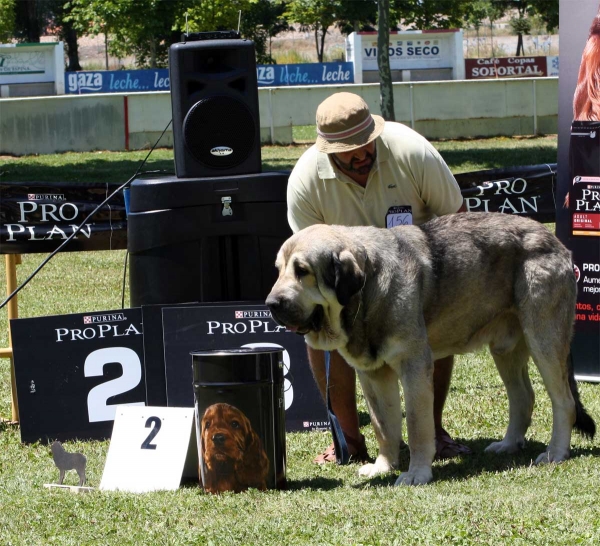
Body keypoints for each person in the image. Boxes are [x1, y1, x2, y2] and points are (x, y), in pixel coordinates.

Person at [287, 91, 471, 464]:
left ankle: (433, 433)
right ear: (327, 150)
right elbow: (306, 254)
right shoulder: (304, 182)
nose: (360, 155)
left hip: (416, 270)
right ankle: (350, 441)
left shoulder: (412, 151)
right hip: (344, 279)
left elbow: (458, 221)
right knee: (322, 333)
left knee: (435, 321)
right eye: (348, 150)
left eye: (365, 144)